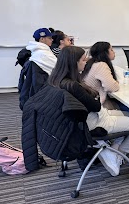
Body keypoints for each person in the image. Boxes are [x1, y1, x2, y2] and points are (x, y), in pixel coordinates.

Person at [46, 46, 119, 176]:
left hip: (66, 125)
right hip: (85, 124)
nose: (86, 62)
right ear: (74, 62)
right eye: (83, 60)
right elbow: (96, 106)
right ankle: (111, 154)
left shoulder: (54, 80)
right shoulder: (73, 85)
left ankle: (107, 150)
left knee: (121, 113)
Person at [81, 41, 129, 172]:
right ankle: (118, 153)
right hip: (98, 113)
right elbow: (112, 86)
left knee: (125, 111)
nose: (114, 52)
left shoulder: (93, 64)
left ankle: (115, 147)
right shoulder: (101, 65)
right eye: (112, 49)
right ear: (105, 53)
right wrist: (115, 83)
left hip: (91, 113)